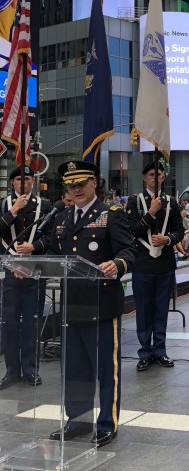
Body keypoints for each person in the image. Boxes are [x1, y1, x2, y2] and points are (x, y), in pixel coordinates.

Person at [48, 160, 135, 448]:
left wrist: (118, 264)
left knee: (105, 370)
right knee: (74, 369)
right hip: (71, 306)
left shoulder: (111, 214)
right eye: (70, 185)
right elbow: (52, 250)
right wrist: (25, 263)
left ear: (94, 183)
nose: (76, 190)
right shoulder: (61, 216)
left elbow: (129, 250)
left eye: (81, 184)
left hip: (101, 305)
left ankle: (107, 423)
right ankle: (78, 420)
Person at [125, 161, 184, 372]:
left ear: (164, 177)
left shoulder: (173, 203)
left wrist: (168, 239)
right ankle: (145, 352)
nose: (155, 178)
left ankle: (160, 350)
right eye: (151, 174)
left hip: (164, 263)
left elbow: (180, 230)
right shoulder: (135, 201)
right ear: (144, 178)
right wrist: (150, 213)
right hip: (142, 264)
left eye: (159, 174)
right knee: (143, 309)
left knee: (161, 309)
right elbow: (132, 231)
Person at [0, 165, 53, 389]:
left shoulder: (45, 205)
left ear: (33, 182)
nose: (24, 183)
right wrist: (13, 211)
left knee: (31, 321)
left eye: (29, 179)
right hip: (9, 272)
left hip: (34, 271)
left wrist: (34, 246)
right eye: (20, 179)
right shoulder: (3, 204)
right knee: (9, 323)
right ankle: (11, 370)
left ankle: (31, 369)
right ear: (12, 183)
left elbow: (52, 238)